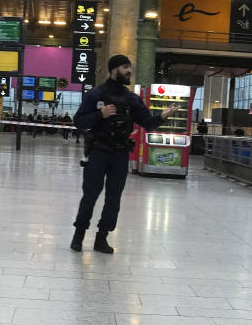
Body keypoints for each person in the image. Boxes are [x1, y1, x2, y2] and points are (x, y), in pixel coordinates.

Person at [70, 54, 176, 253]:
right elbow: (79, 121)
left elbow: (147, 122)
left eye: (130, 67)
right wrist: (99, 115)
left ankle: (102, 237)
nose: (129, 71)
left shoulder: (132, 99)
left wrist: (163, 115)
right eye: (125, 67)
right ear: (114, 69)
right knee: (90, 195)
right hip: (98, 152)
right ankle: (79, 235)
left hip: (120, 154)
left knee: (114, 198)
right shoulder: (96, 95)